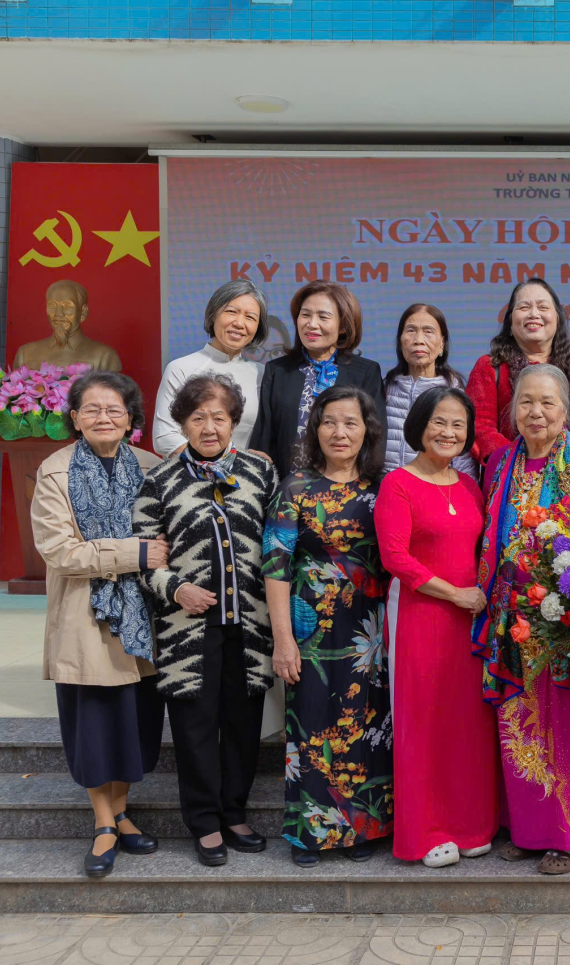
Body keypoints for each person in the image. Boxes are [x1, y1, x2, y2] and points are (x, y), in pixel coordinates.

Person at [473, 364, 570, 875]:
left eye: (547, 402)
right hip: (508, 615)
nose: (536, 412)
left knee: (561, 728)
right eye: (526, 402)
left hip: (559, 617)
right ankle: (527, 831)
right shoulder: (500, 461)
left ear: (566, 410)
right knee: (514, 722)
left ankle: (567, 836)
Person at [133, 374, 278, 867]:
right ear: (182, 423)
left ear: (234, 422)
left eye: (219, 417)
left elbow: (280, 543)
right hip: (187, 631)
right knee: (194, 728)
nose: (209, 427)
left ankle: (234, 813)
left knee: (243, 724)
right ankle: (204, 822)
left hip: (251, 625)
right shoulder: (159, 481)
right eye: (198, 418)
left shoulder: (260, 472)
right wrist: (177, 588)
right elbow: (145, 560)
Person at [31, 371, 165, 878]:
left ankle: (123, 812)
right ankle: (103, 822)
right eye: (91, 409)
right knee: (93, 726)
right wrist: (136, 553)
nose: (103, 417)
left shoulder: (152, 467)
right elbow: (60, 551)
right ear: (75, 418)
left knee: (134, 723)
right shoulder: (54, 471)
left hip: (142, 618)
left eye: (114, 409)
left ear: (131, 419)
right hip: (85, 617)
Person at [263, 386, 393, 867]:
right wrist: (283, 640)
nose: (340, 432)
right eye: (330, 422)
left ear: (367, 431)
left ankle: (363, 829)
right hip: (312, 629)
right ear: (315, 430)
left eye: (351, 423)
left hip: (371, 629)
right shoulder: (295, 488)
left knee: (365, 723)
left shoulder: (385, 487)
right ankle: (309, 834)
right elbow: (275, 566)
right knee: (313, 727)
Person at [374, 386, 498, 868]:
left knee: (466, 724)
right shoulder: (398, 483)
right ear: (419, 426)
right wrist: (454, 594)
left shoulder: (469, 485)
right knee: (423, 722)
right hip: (422, 615)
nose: (448, 432)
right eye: (439, 422)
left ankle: (470, 824)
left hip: (469, 620)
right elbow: (395, 558)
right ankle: (424, 832)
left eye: (458, 425)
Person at [249, 280, 383, 478]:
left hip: (347, 489)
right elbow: (265, 437)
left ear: (343, 326)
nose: (311, 324)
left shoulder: (365, 372)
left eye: (323, 316)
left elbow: (375, 439)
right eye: (305, 315)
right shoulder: (277, 370)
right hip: (287, 488)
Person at [467, 279, 570, 464]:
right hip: (507, 472)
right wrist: (520, 463)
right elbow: (479, 426)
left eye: (543, 307)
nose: (534, 314)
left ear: (557, 318)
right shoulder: (490, 366)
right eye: (524, 307)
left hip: (566, 471)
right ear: (510, 321)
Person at [152, 280, 269, 456]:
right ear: (214, 314)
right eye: (231, 312)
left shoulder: (263, 374)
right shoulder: (180, 368)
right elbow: (165, 437)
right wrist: (216, 466)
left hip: (246, 472)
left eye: (250, 317)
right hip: (192, 471)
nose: (239, 323)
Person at [381, 302, 477, 478]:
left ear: (442, 344)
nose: (419, 340)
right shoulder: (384, 388)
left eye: (428, 331)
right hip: (385, 486)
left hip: (434, 487)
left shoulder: (454, 393)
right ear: (400, 341)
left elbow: (463, 458)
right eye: (411, 330)